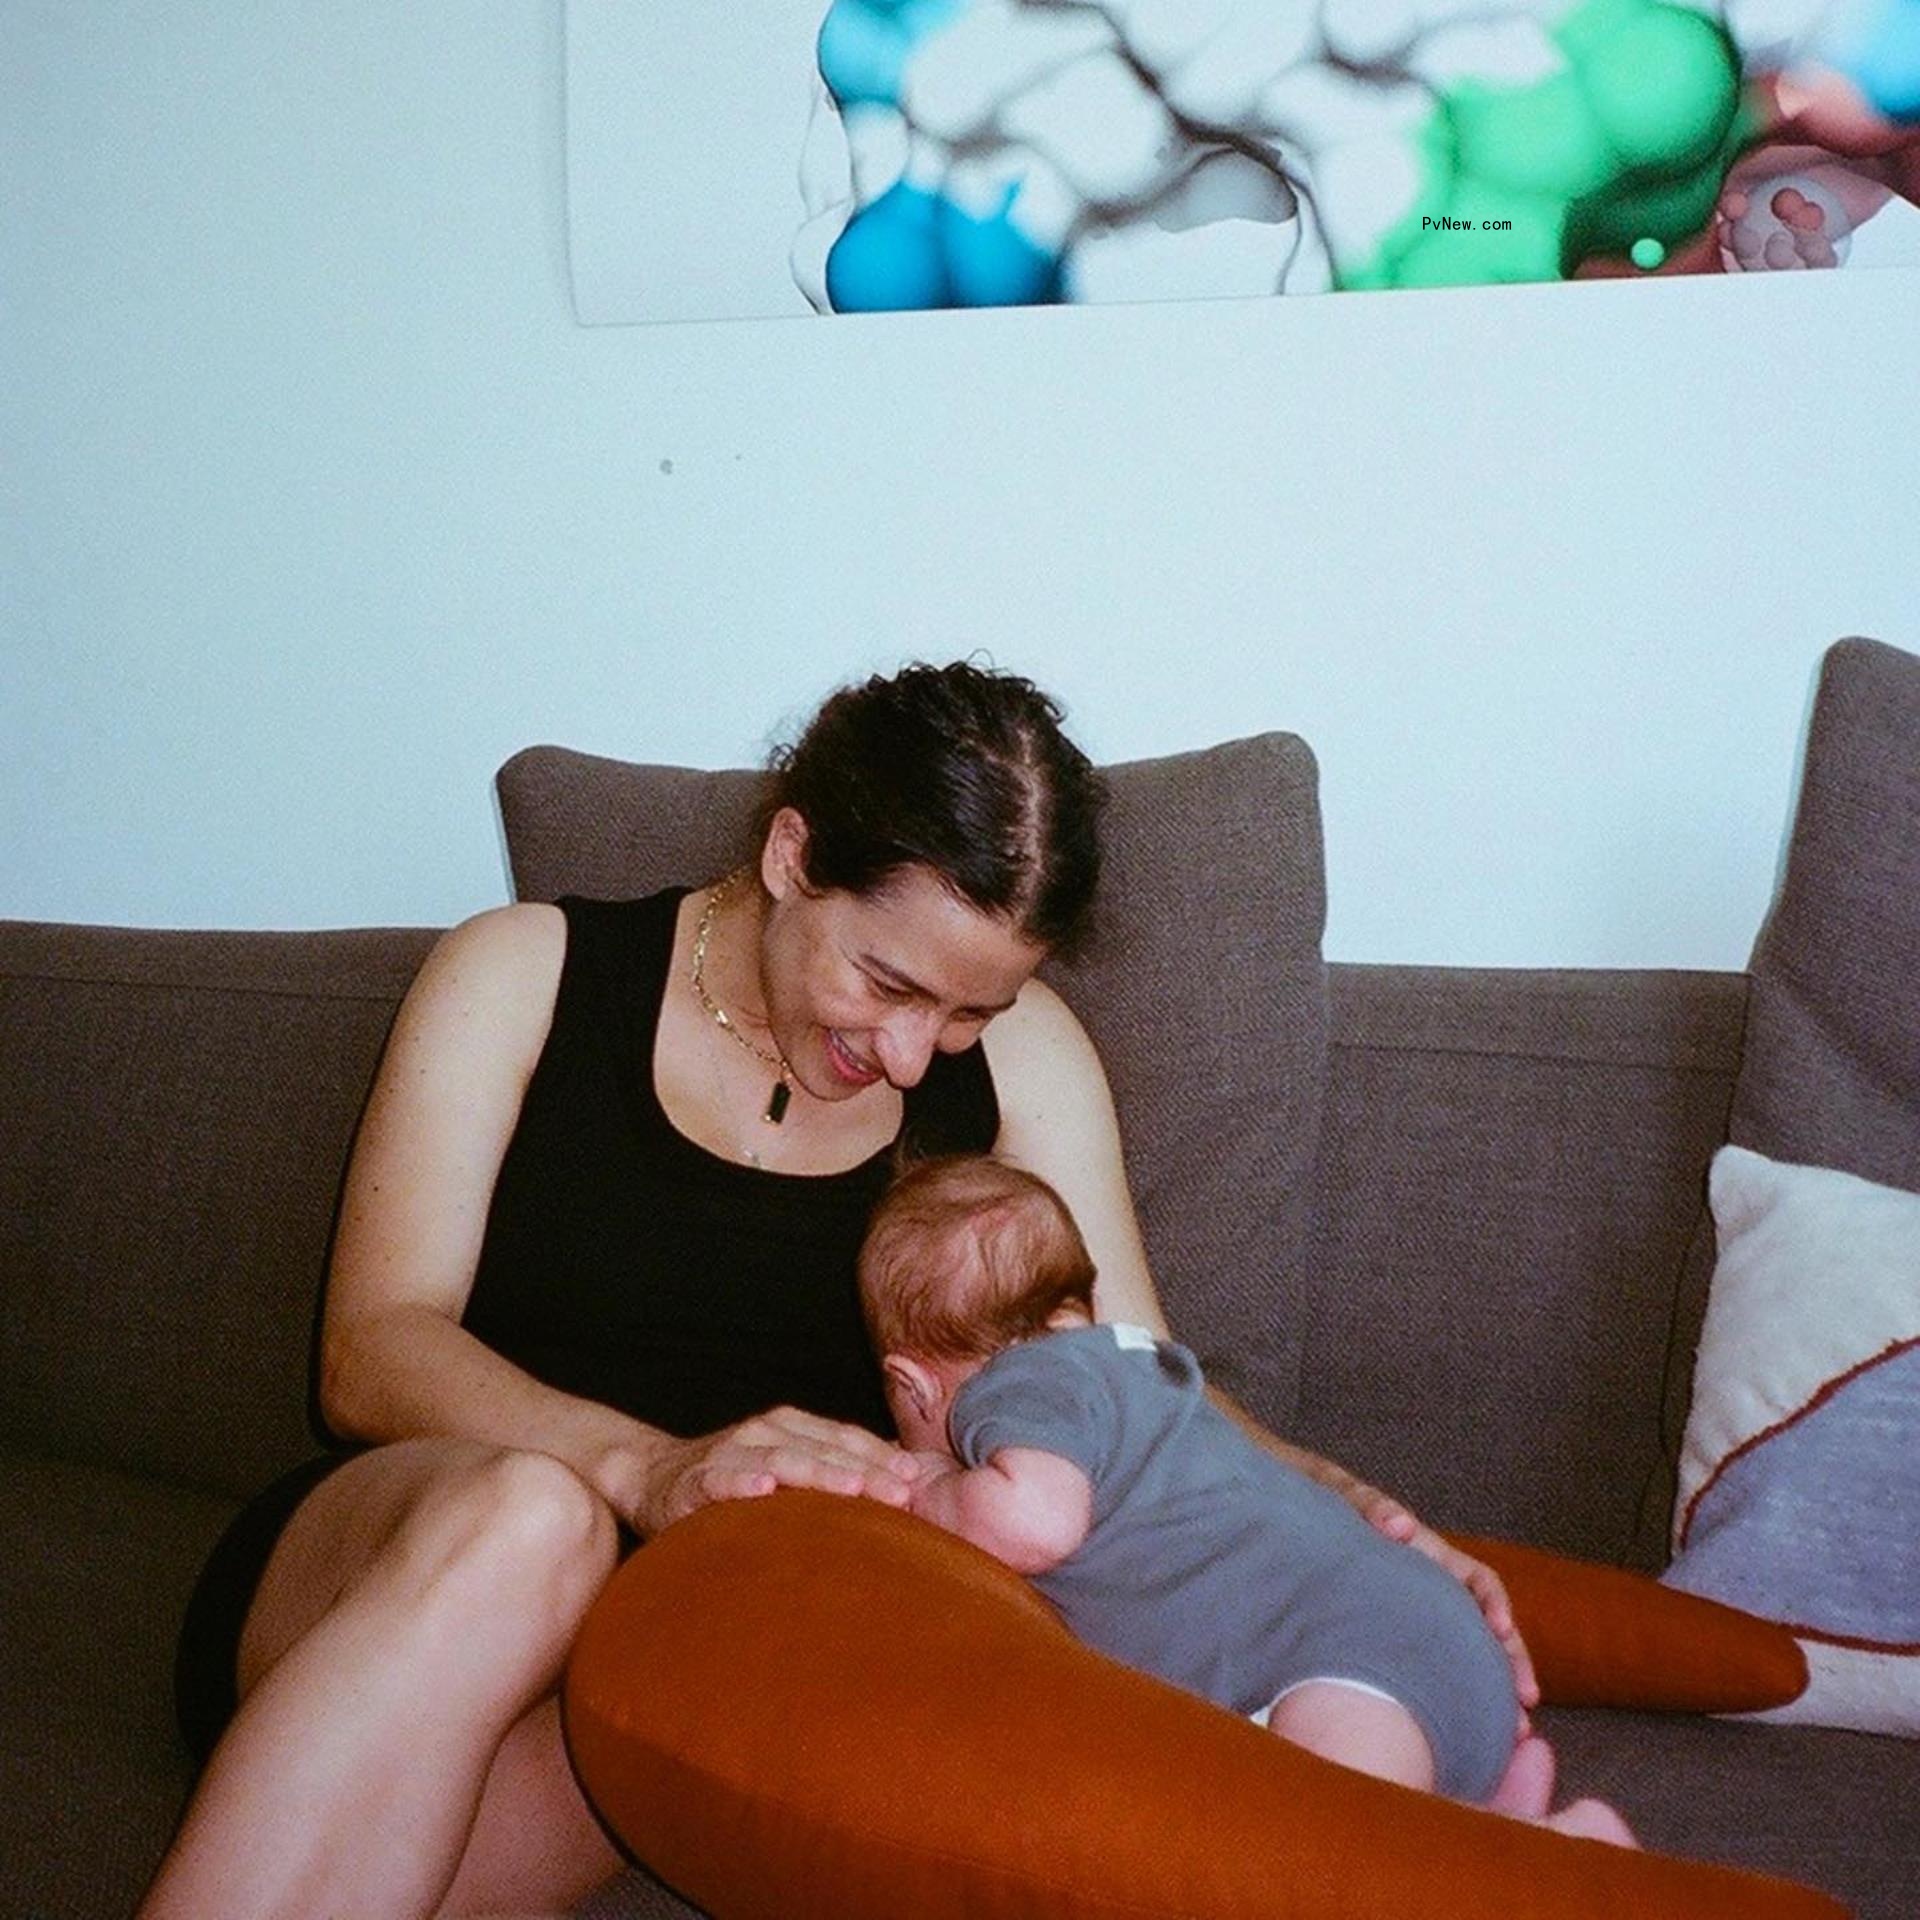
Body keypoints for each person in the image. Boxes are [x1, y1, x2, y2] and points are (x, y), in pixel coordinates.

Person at [140, 660, 1538, 1920]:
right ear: (793, 853)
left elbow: (1138, 1380)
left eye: (971, 1013)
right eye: (889, 980)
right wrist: (644, 1467)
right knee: (535, 1521)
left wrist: (1352, 1514)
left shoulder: (1029, 1068)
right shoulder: (525, 972)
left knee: (684, 1737)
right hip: (410, 1562)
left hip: (664, 1659)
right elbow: (371, 1351)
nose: (922, 1055)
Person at [859, 1152, 1636, 1845]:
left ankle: (1537, 1864)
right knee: (1360, 1805)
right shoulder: (1148, 1372)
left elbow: (1034, 1525)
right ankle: (1499, 1810)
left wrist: (931, 1485)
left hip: (1343, 1676)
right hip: (1440, 1643)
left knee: (1318, 1850)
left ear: (911, 1384)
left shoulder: (1016, 1391)